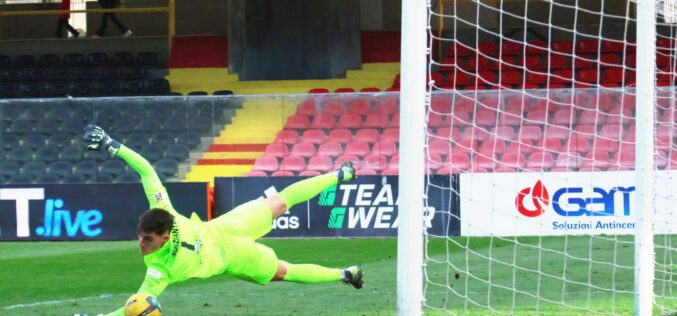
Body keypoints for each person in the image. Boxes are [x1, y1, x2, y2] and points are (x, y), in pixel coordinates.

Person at [81, 124, 363, 315]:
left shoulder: (161, 268)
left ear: (165, 237)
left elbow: (136, 307)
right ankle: (342, 177)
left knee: (282, 266)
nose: (141, 243)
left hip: (234, 253)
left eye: (147, 239)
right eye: (141, 236)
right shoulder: (165, 214)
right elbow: (147, 172)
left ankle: (345, 272)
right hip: (229, 226)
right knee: (280, 204)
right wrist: (111, 145)